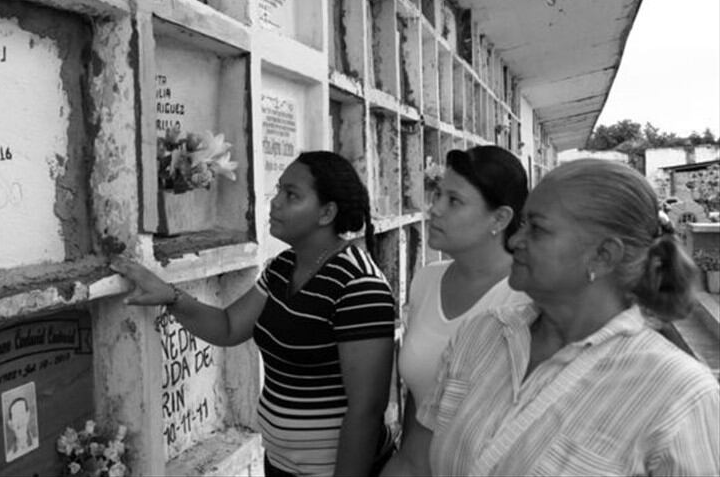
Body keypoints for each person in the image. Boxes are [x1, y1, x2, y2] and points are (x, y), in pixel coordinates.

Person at [414, 159, 720, 475]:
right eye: (522, 224)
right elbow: (419, 460)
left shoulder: (679, 394)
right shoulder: (481, 334)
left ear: (603, 256)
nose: (516, 240)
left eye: (538, 228)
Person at [112, 151, 397, 477]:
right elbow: (229, 326)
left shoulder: (358, 286)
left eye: (291, 195)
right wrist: (171, 297)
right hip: (280, 465)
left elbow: (366, 409)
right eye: (278, 191)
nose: (274, 203)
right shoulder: (283, 267)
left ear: (326, 212)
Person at [381, 146, 530, 476]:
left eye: (454, 201)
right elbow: (420, 403)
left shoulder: (524, 301)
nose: (434, 209)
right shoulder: (426, 280)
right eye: (437, 194)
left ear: (500, 218)